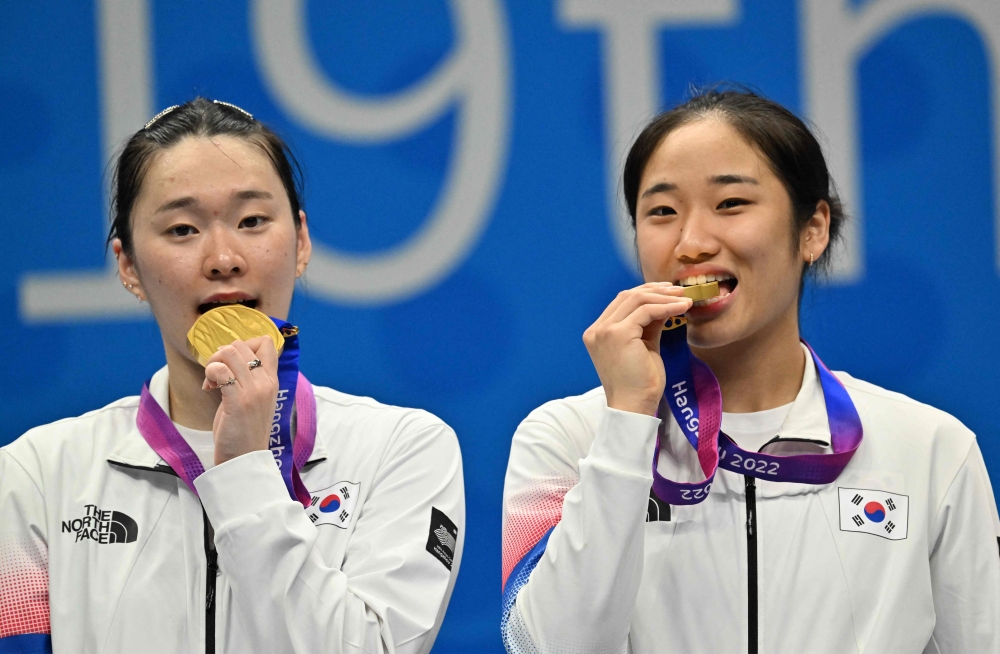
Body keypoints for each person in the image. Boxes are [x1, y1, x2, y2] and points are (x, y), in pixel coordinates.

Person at [500, 89, 1000, 653]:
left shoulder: (929, 449)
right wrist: (626, 425)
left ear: (812, 229)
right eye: (661, 212)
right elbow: (546, 647)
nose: (690, 244)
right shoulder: (568, 437)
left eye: (731, 203)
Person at [0, 98, 464, 654]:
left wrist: (247, 468)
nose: (223, 257)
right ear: (128, 266)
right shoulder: (38, 476)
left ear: (301, 241)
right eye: (181, 229)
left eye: (252, 221)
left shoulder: (401, 449)